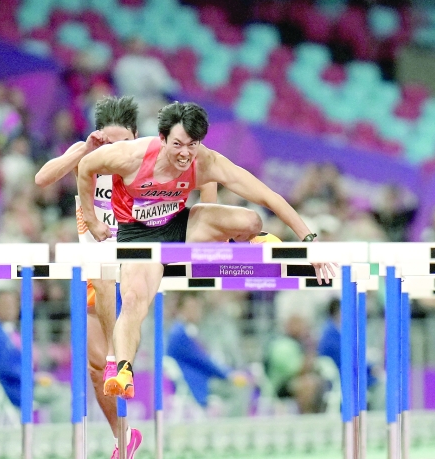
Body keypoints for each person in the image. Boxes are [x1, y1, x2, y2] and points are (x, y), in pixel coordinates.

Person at [76, 101, 337, 403]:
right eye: (177, 145)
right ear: (161, 139)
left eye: (192, 144)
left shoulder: (206, 162)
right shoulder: (130, 156)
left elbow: (267, 195)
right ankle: (123, 369)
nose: (185, 154)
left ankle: (246, 240)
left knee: (250, 219)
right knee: (134, 302)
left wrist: (309, 240)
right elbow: (86, 167)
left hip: (179, 225)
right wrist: (93, 220)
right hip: (139, 237)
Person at [35, 96, 215, 459]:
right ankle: (124, 436)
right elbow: (42, 179)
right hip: (96, 270)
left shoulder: (146, 156)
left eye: (122, 143)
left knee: (107, 304)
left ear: (136, 137)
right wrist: (84, 152)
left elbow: (205, 170)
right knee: (95, 369)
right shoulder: (90, 154)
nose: (114, 151)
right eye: (108, 143)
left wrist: (206, 219)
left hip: (133, 264)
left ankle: (122, 356)